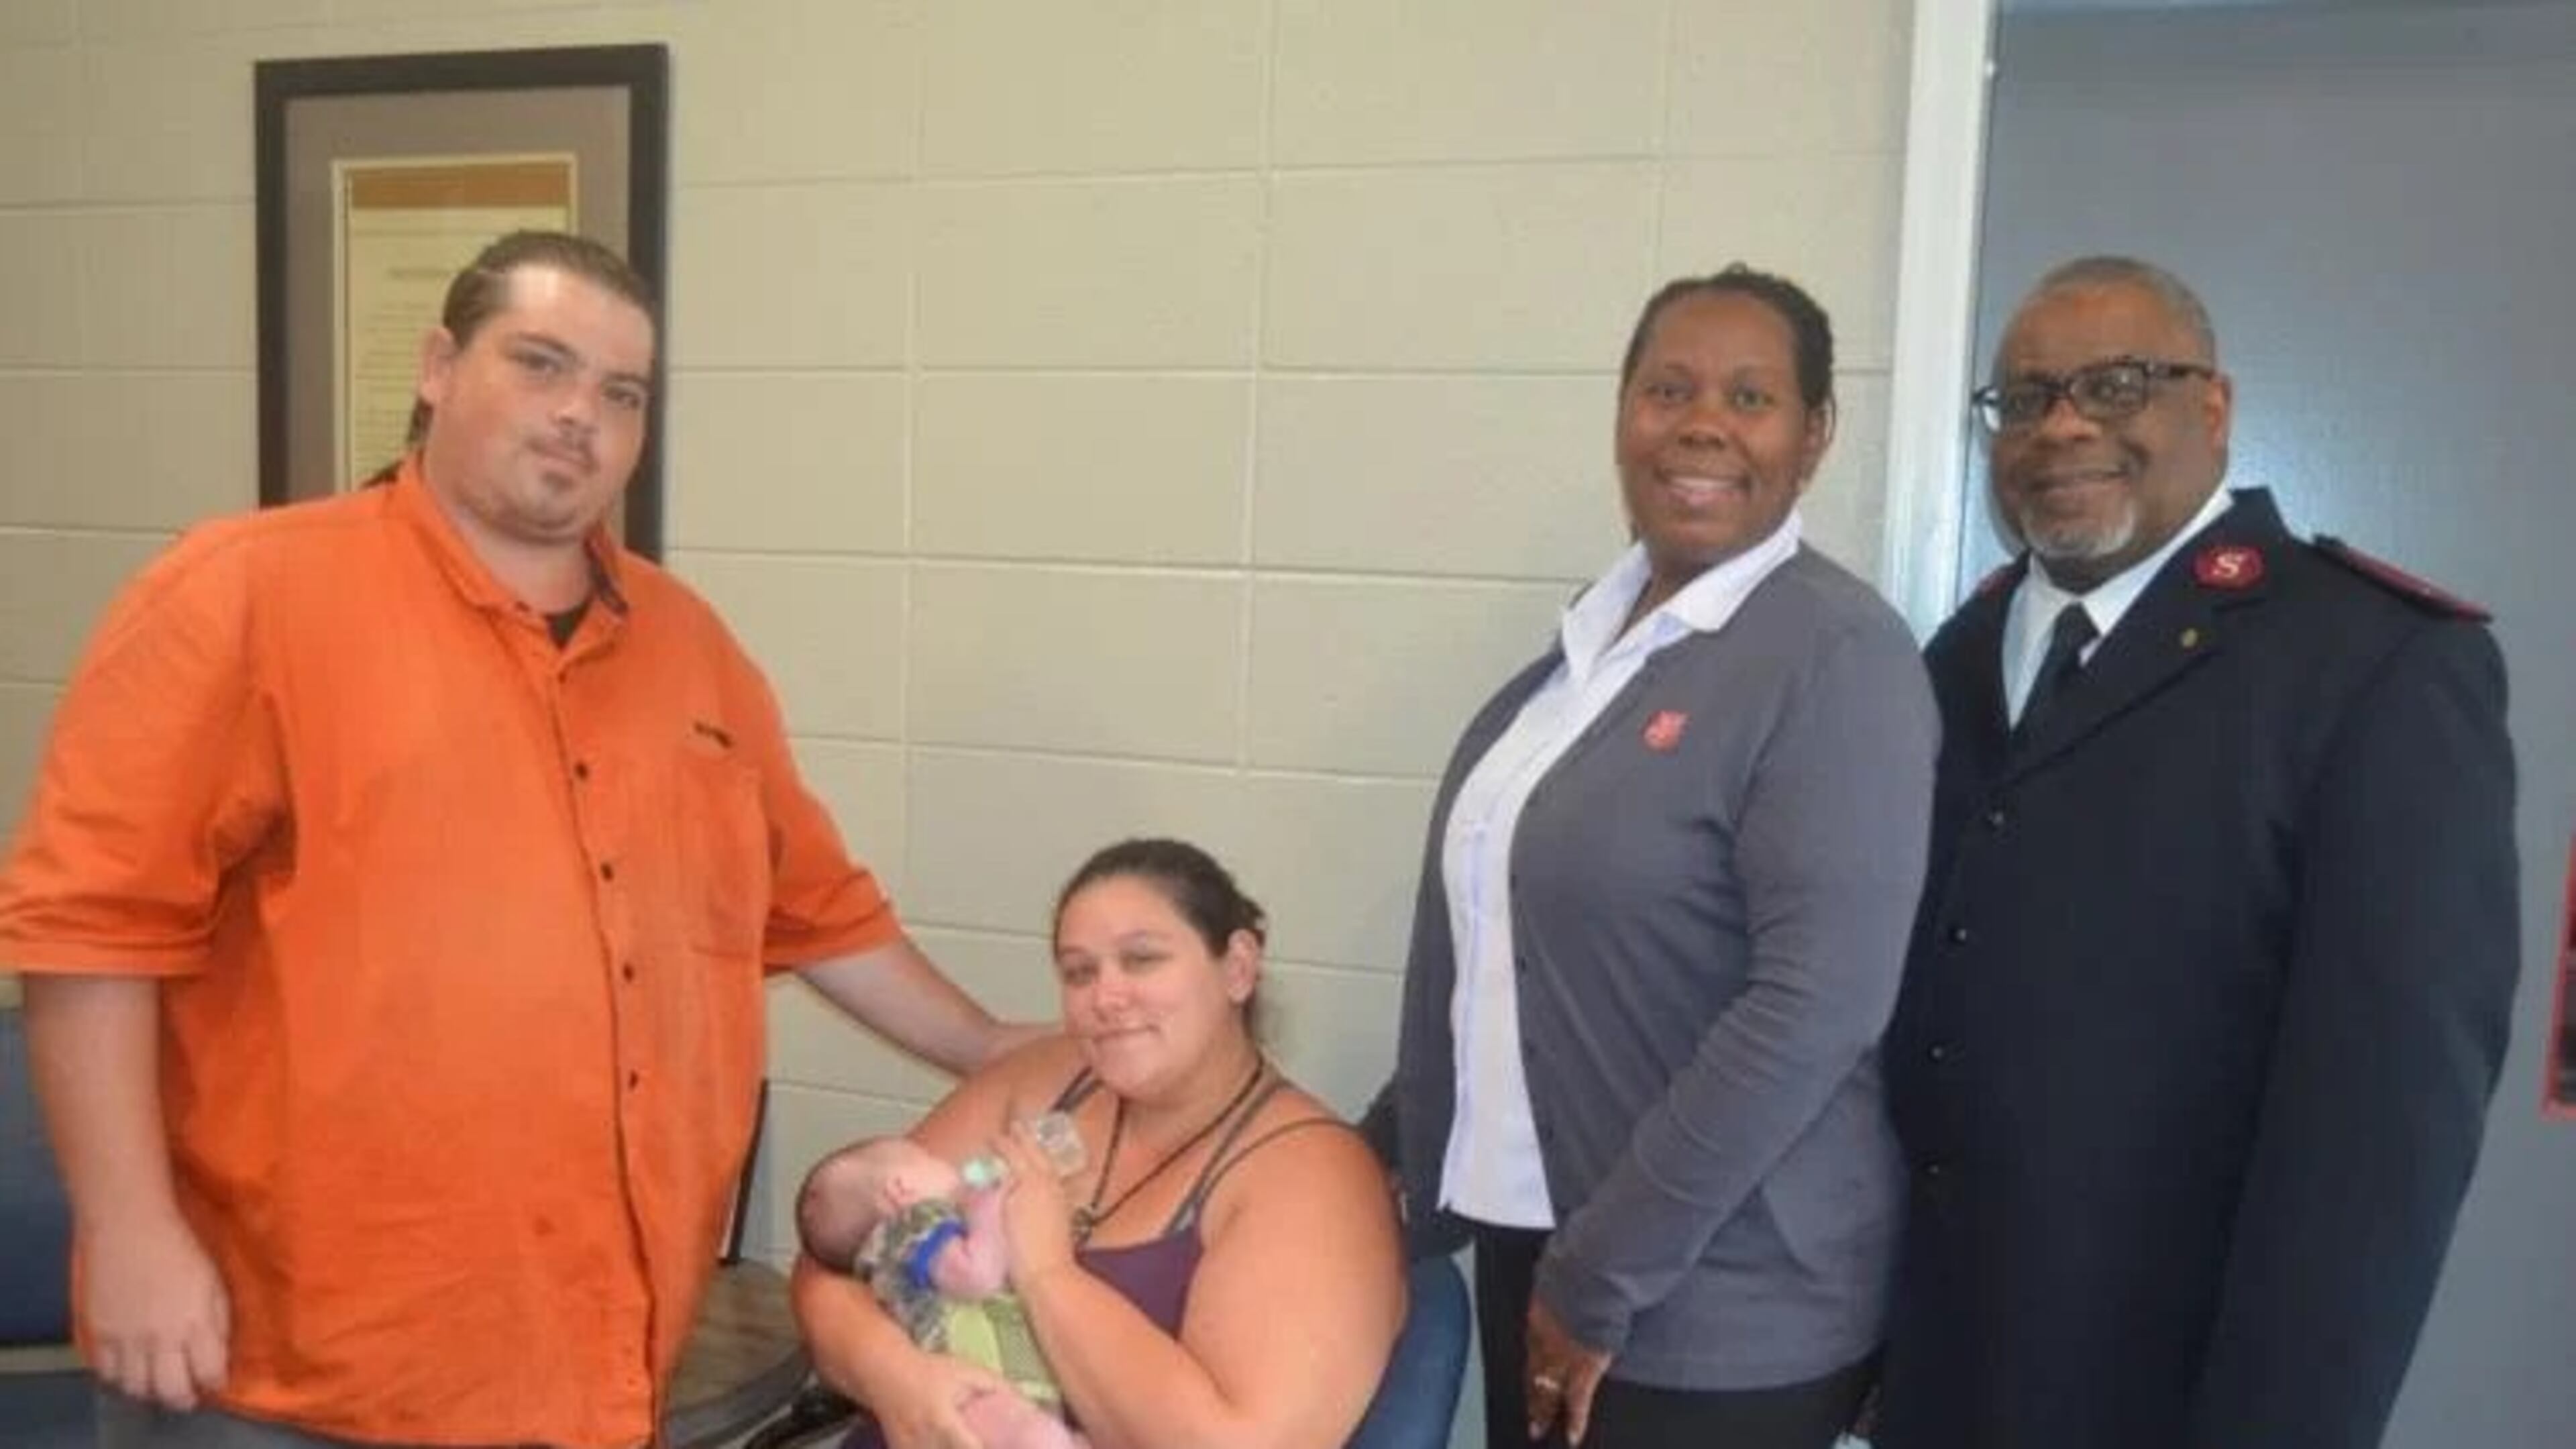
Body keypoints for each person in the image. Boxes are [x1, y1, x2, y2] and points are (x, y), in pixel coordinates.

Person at [0, 230, 1026, 1449]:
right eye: (540, 364)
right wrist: (129, 1229)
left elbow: (819, 913)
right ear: (439, 367)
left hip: (589, 1364)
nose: (580, 414)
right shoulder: (244, 594)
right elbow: (89, 933)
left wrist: (997, 1050)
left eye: (621, 393)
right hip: (290, 1372)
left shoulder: (690, 649)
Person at [1875, 255, 2519, 1449]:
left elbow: (2384, 1137)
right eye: (2027, 398)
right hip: (1938, 1379)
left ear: (2213, 408)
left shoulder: (2370, 664)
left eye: (2117, 385)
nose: (2064, 426)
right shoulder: (1957, 657)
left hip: (2174, 1395)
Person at [1366, 264, 1938, 1449]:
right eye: (1668, 390)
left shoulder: (1837, 657)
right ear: (1623, 413)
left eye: (1751, 397)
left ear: (1816, 435)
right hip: (1546, 1249)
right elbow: (1508, 953)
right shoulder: (1587, 653)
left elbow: (1815, 1008)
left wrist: (1601, 1276)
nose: (1702, 425)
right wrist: (1384, 1150)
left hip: (1716, 1307)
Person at [794, 838, 1405, 1449]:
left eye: (1142, 960)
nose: (1105, 998)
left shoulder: (1311, 1176)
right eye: (1079, 972)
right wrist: (894, 1377)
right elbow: (830, 1256)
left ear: (1238, 967)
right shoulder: (1042, 1081)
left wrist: (1047, 1271)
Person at [797, 1136, 1083, 1449]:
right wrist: (989, 1200)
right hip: (970, 1391)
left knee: (1046, 1435)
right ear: (900, 1188)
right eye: (931, 1158)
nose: (950, 1165)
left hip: (999, 1390)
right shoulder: (914, 1226)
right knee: (1041, 1438)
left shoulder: (898, 1250)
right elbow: (977, 1275)